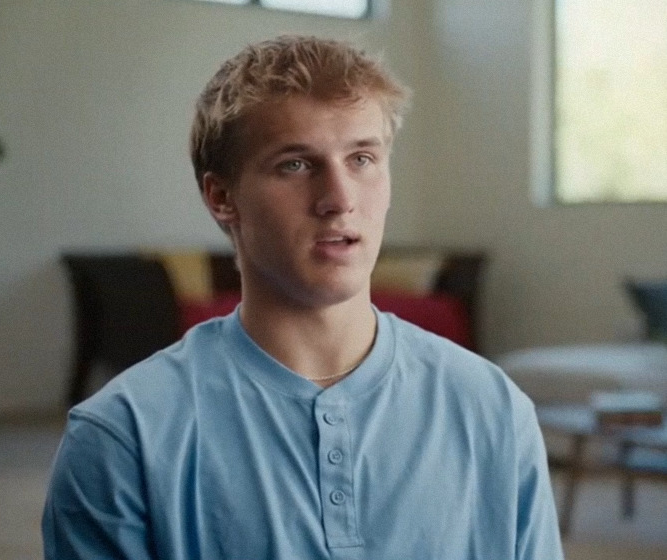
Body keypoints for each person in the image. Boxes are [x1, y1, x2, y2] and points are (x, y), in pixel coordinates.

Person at [42, 35, 563, 559]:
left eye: (362, 158)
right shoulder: (120, 439)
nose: (339, 199)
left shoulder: (493, 409)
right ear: (222, 198)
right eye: (295, 164)